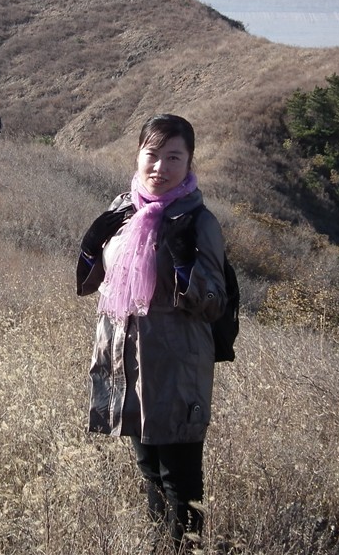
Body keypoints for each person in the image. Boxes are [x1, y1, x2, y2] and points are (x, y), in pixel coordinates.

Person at [76, 114, 227, 552]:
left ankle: (188, 546)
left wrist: (185, 268)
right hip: (127, 356)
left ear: (190, 161)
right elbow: (94, 282)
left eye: (173, 157)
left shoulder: (200, 223)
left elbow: (215, 303)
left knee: (178, 473)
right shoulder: (122, 210)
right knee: (146, 464)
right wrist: (90, 247)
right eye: (152, 155)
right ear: (138, 155)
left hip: (176, 362)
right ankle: (159, 543)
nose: (160, 166)